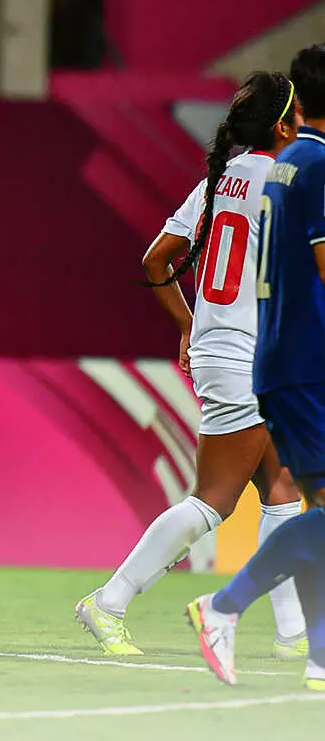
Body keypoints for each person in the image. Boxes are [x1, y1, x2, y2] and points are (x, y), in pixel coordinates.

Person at [77, 71, 305, 657]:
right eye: (299, 115)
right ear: (282, 126)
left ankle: (292, 634)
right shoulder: (291, 182)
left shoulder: (220, 180)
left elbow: (157, 260)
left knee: (280, 489)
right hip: (246, 357)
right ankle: (107, 603)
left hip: (224, 348)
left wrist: (187, 322)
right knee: (215, 501)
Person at [189, 48, 325, 689]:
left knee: (294, 496)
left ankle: (309, 647)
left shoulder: (272, 168)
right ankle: (224, 607)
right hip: (296, 356)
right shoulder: (311, 163)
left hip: (272, 353)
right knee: (288, 501)